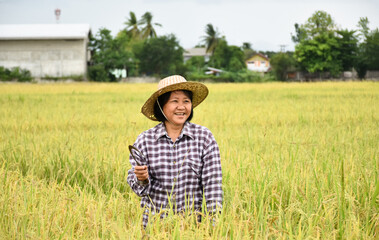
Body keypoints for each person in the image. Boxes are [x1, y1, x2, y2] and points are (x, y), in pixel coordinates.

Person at [127, 75, 223, 229]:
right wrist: (141, 178)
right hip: (154, 227)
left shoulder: (204, 137)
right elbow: (139, 190)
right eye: (174, 101)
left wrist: (213, 226)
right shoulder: (145, 140)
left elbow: (213, 187)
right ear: (161, 105)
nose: (181, 107)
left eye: (186, 101)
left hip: (191, 228)